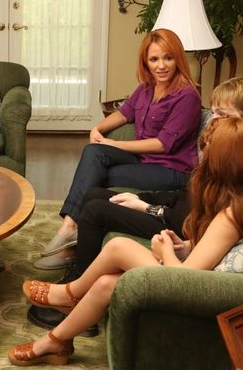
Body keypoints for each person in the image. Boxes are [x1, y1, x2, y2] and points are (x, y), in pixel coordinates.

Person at [9, 116, 243, 366]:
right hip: (202, 281)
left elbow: (185, 280)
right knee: (106, 284)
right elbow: (214, 250)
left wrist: (166, 252)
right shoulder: (241, 206)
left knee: (119, 247)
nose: (202, 162)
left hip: (196, 290)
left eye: (209, 156)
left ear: (227, 165)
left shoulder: (231, 216)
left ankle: (70, 294)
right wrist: (183, 248)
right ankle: (57, 342)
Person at [27, 76, 243, 333]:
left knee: (98, 214)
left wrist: (153, 220)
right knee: (94, 190)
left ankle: (73, 292)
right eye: (213, 114)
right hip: (185, 226)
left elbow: (188, 268)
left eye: (222, 115)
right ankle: (67, 302)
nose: (212, 121)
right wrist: (183, 243)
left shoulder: (234, 172)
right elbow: (195, 210)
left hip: (182, 242)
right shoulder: (227, 154)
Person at [35, 28, 202, 270]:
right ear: (145, 61)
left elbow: (163, 144)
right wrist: (98, 128)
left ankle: (72, 243)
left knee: (99, 176)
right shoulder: (146, 88)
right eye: (154, 59)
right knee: (93, 152)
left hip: (171, 170)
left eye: (168, 58)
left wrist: (113, 143)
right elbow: (124, 114)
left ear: (178, 58)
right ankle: (70, 225)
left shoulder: (187, 96)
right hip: (144, 161)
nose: (161, 66)